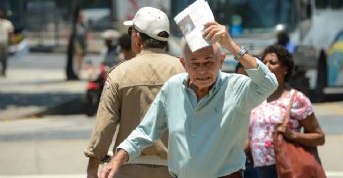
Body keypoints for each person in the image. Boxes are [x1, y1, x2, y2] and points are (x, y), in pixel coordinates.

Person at [99, 21, 278, 178]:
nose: (202, 71)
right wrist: (118, 159)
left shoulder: (237, 87)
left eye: (209, 62)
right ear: (183, 64)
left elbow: (269, 83)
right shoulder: (173, 88)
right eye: (195, 64)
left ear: (221, 61)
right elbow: (146, 131)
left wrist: (231, 45)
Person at [84, 7, 186, 178]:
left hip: (128, 167)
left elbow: (104, 126)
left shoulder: (119, 74)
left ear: (137, 38)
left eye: (131, 31)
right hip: (176, 167)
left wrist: (92, 169)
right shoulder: (185, 71)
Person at [248, 44, 325, 178]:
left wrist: (293, 135)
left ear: (285, 69)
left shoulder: (296, 98)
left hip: (284, 167)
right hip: (258, 168)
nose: (267, 66)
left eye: (273, 62)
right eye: (264, 62)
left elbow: (319, 137)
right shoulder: (256, 97)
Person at [0, 8, 15, 77]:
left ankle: (4, 70)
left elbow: (11, 33)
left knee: (4, 57)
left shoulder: (7, 23)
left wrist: (13, 41)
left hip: (4, 42)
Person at [74, 10, 89, 77]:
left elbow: (86, 34)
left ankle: (79, 71)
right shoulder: (76, 24)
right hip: (78, 42)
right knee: (78, 57)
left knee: (81, 58)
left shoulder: (84, 24)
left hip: (83, 42)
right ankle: (78, 72)